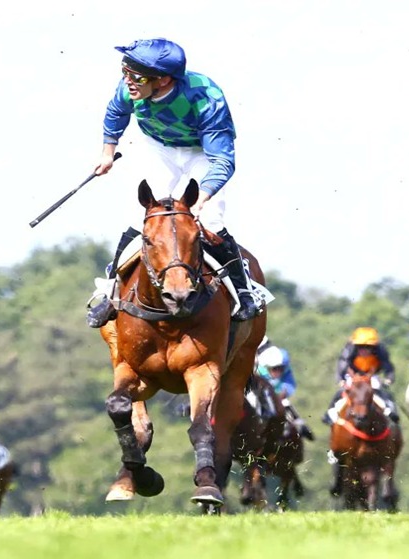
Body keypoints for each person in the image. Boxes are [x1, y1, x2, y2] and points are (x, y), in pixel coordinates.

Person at [85, 37, 263, 327]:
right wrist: (107, 153)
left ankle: (244, 292)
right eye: (125, 71)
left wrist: (203, 196)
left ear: (165, 80)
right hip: (159, 147)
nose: (128, 81)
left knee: (211, 221)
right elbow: (116, 112)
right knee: (141, 219)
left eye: (136, 76)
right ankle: (109, 292)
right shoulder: (132, 86)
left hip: (202, 152)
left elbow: (222, 161)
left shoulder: (205, 97)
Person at [323, 327, 398, 424]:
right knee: (341, 392)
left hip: (372, 376)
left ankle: (391, 413)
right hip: (354, 375)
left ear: (374, 347)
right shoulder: (350, 349)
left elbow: (387, 365)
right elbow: (342, 364)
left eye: (368, 347)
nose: (364, 350)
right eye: (360, 347)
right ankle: (330, 414)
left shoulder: (380, 350)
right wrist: (341, 379)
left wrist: (389, 379)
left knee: (383, 392)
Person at [256, 344, 314, 441]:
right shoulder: (260, 373)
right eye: (275, 369)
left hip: (279, 398)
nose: (278, 372)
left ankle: (301, 426)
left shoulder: (285, 373)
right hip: (262, 398)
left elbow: (288, 386)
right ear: (267, 368)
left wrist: (282, 394)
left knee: (286, 403)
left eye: (281, 368)